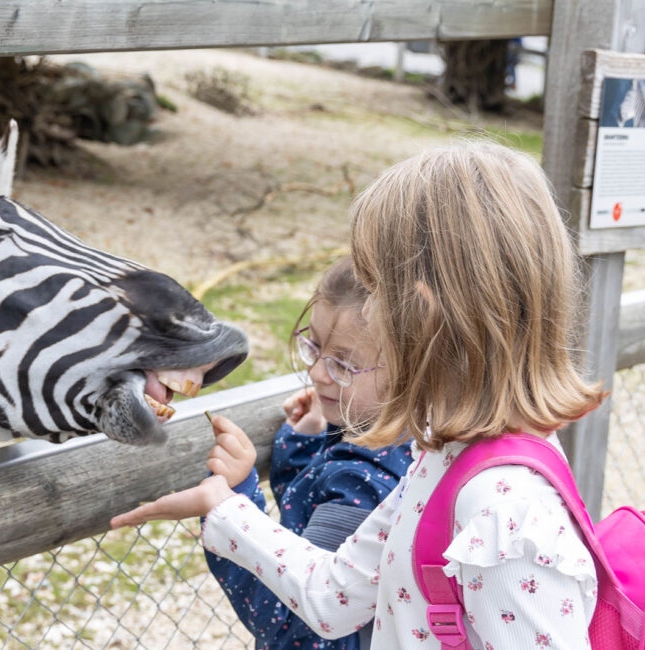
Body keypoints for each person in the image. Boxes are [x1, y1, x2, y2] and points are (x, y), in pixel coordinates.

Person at [113, 142, 606, 648]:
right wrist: (226, 505)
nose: (367, 313)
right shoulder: (446, 455)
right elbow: (333, 597)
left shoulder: (505, 515)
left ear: (422, 312)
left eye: (374, 289)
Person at [204, 257, 412, 649]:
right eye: (313, 347)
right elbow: (305, 534)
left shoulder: (362, 480)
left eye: (344, 365)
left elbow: (294, 623)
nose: (317, 373)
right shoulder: (406, 445)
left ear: (409, 370)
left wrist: (233, 503)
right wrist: (307, 442)